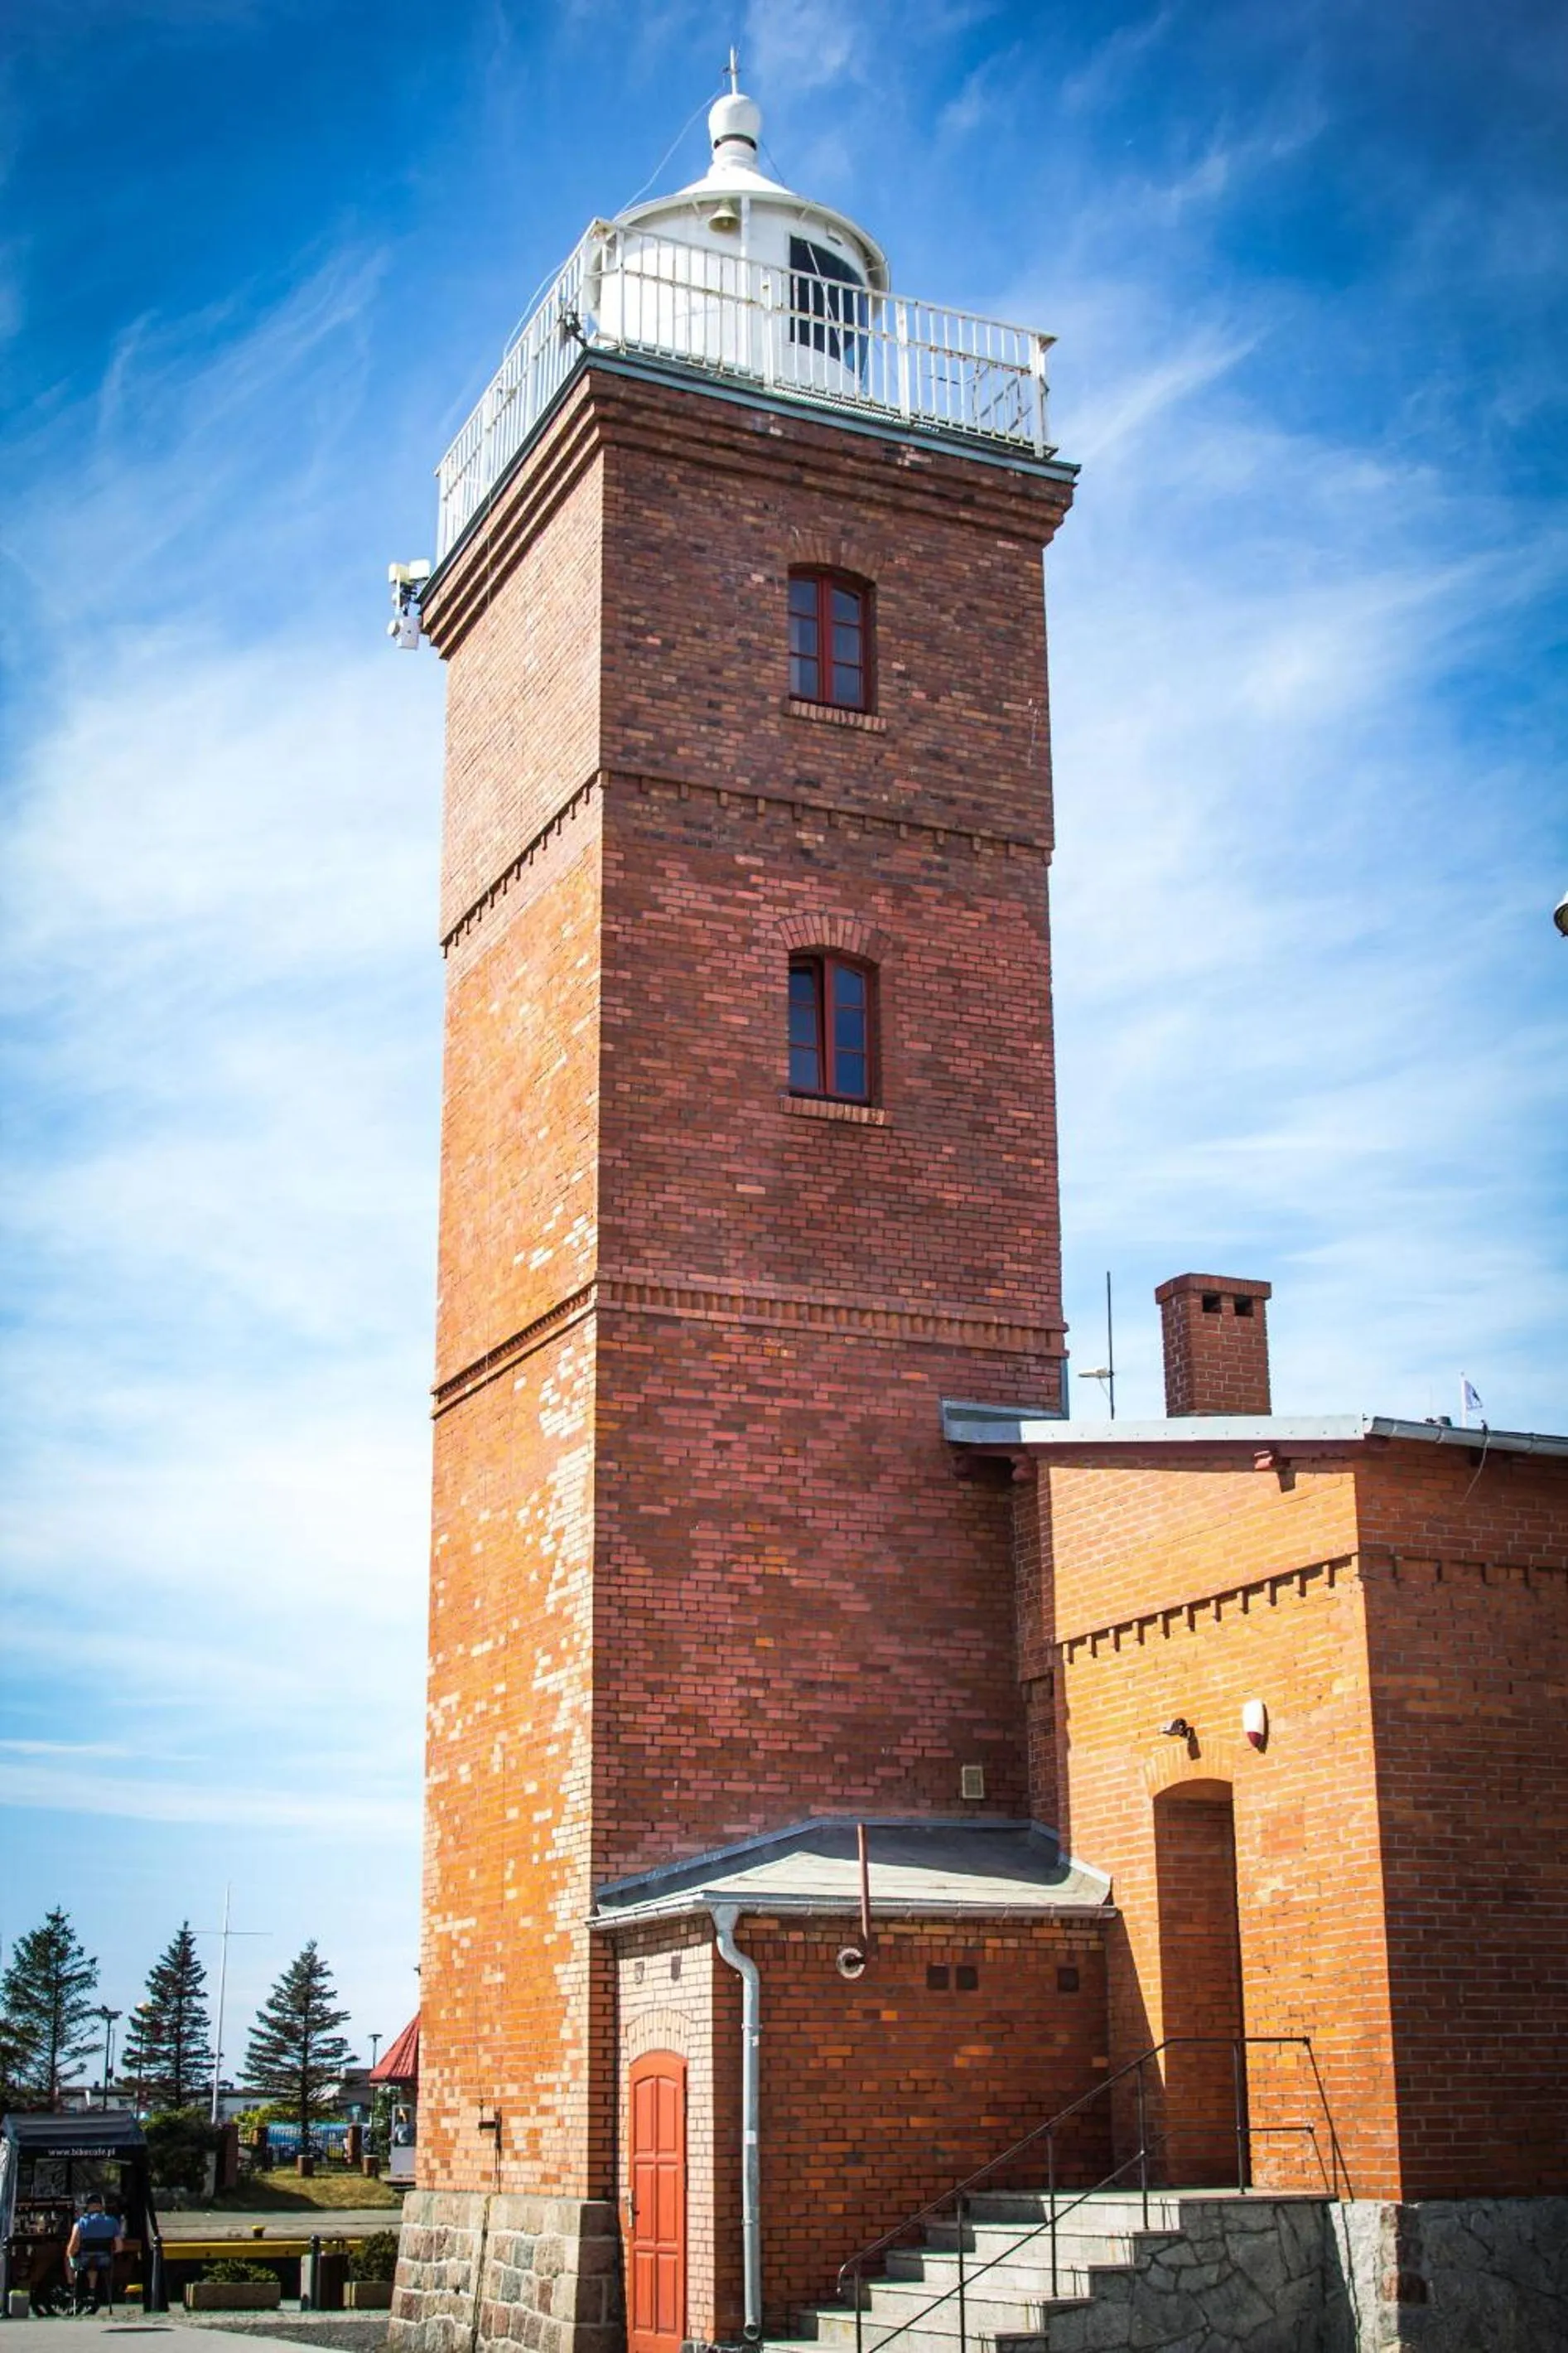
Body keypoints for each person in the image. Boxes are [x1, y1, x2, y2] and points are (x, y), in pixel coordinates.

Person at [67, 2201, 123, 2315]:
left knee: (68, 2256)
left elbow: (72, 2248)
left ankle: (71, 2287)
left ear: (88, 2207)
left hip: (83, 2261)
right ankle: (92, 2292)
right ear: (101, 2207)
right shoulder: (112, 2221)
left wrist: (71, 2254)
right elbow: (119, 2248)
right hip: (105, 2261)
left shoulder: (81, 2222)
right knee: (94, 2264)